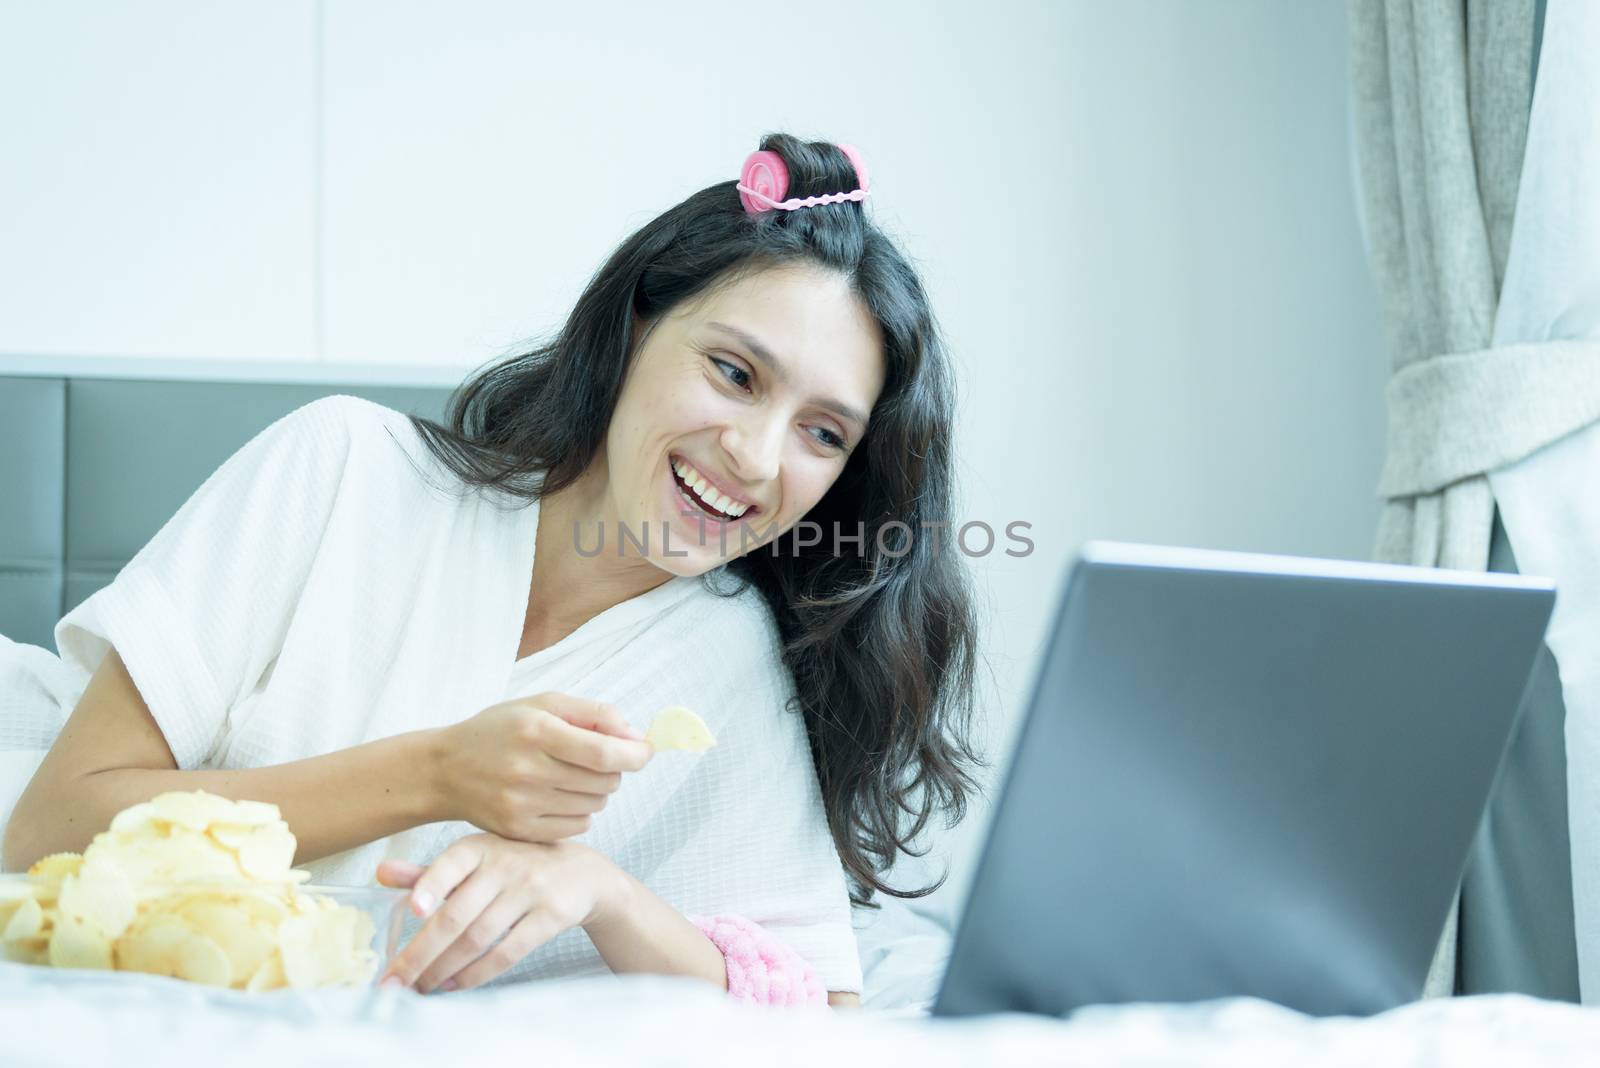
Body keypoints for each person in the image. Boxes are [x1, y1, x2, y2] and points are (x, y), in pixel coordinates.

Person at [2, 133, 985, 1007]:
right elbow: (46, 832)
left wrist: (604, 895)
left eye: (821, 433)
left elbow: (820, 1013)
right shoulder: (343, 468)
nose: (758, 459)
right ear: (638, 324)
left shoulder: (727, 654)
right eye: (734, 373)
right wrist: (435, 773)